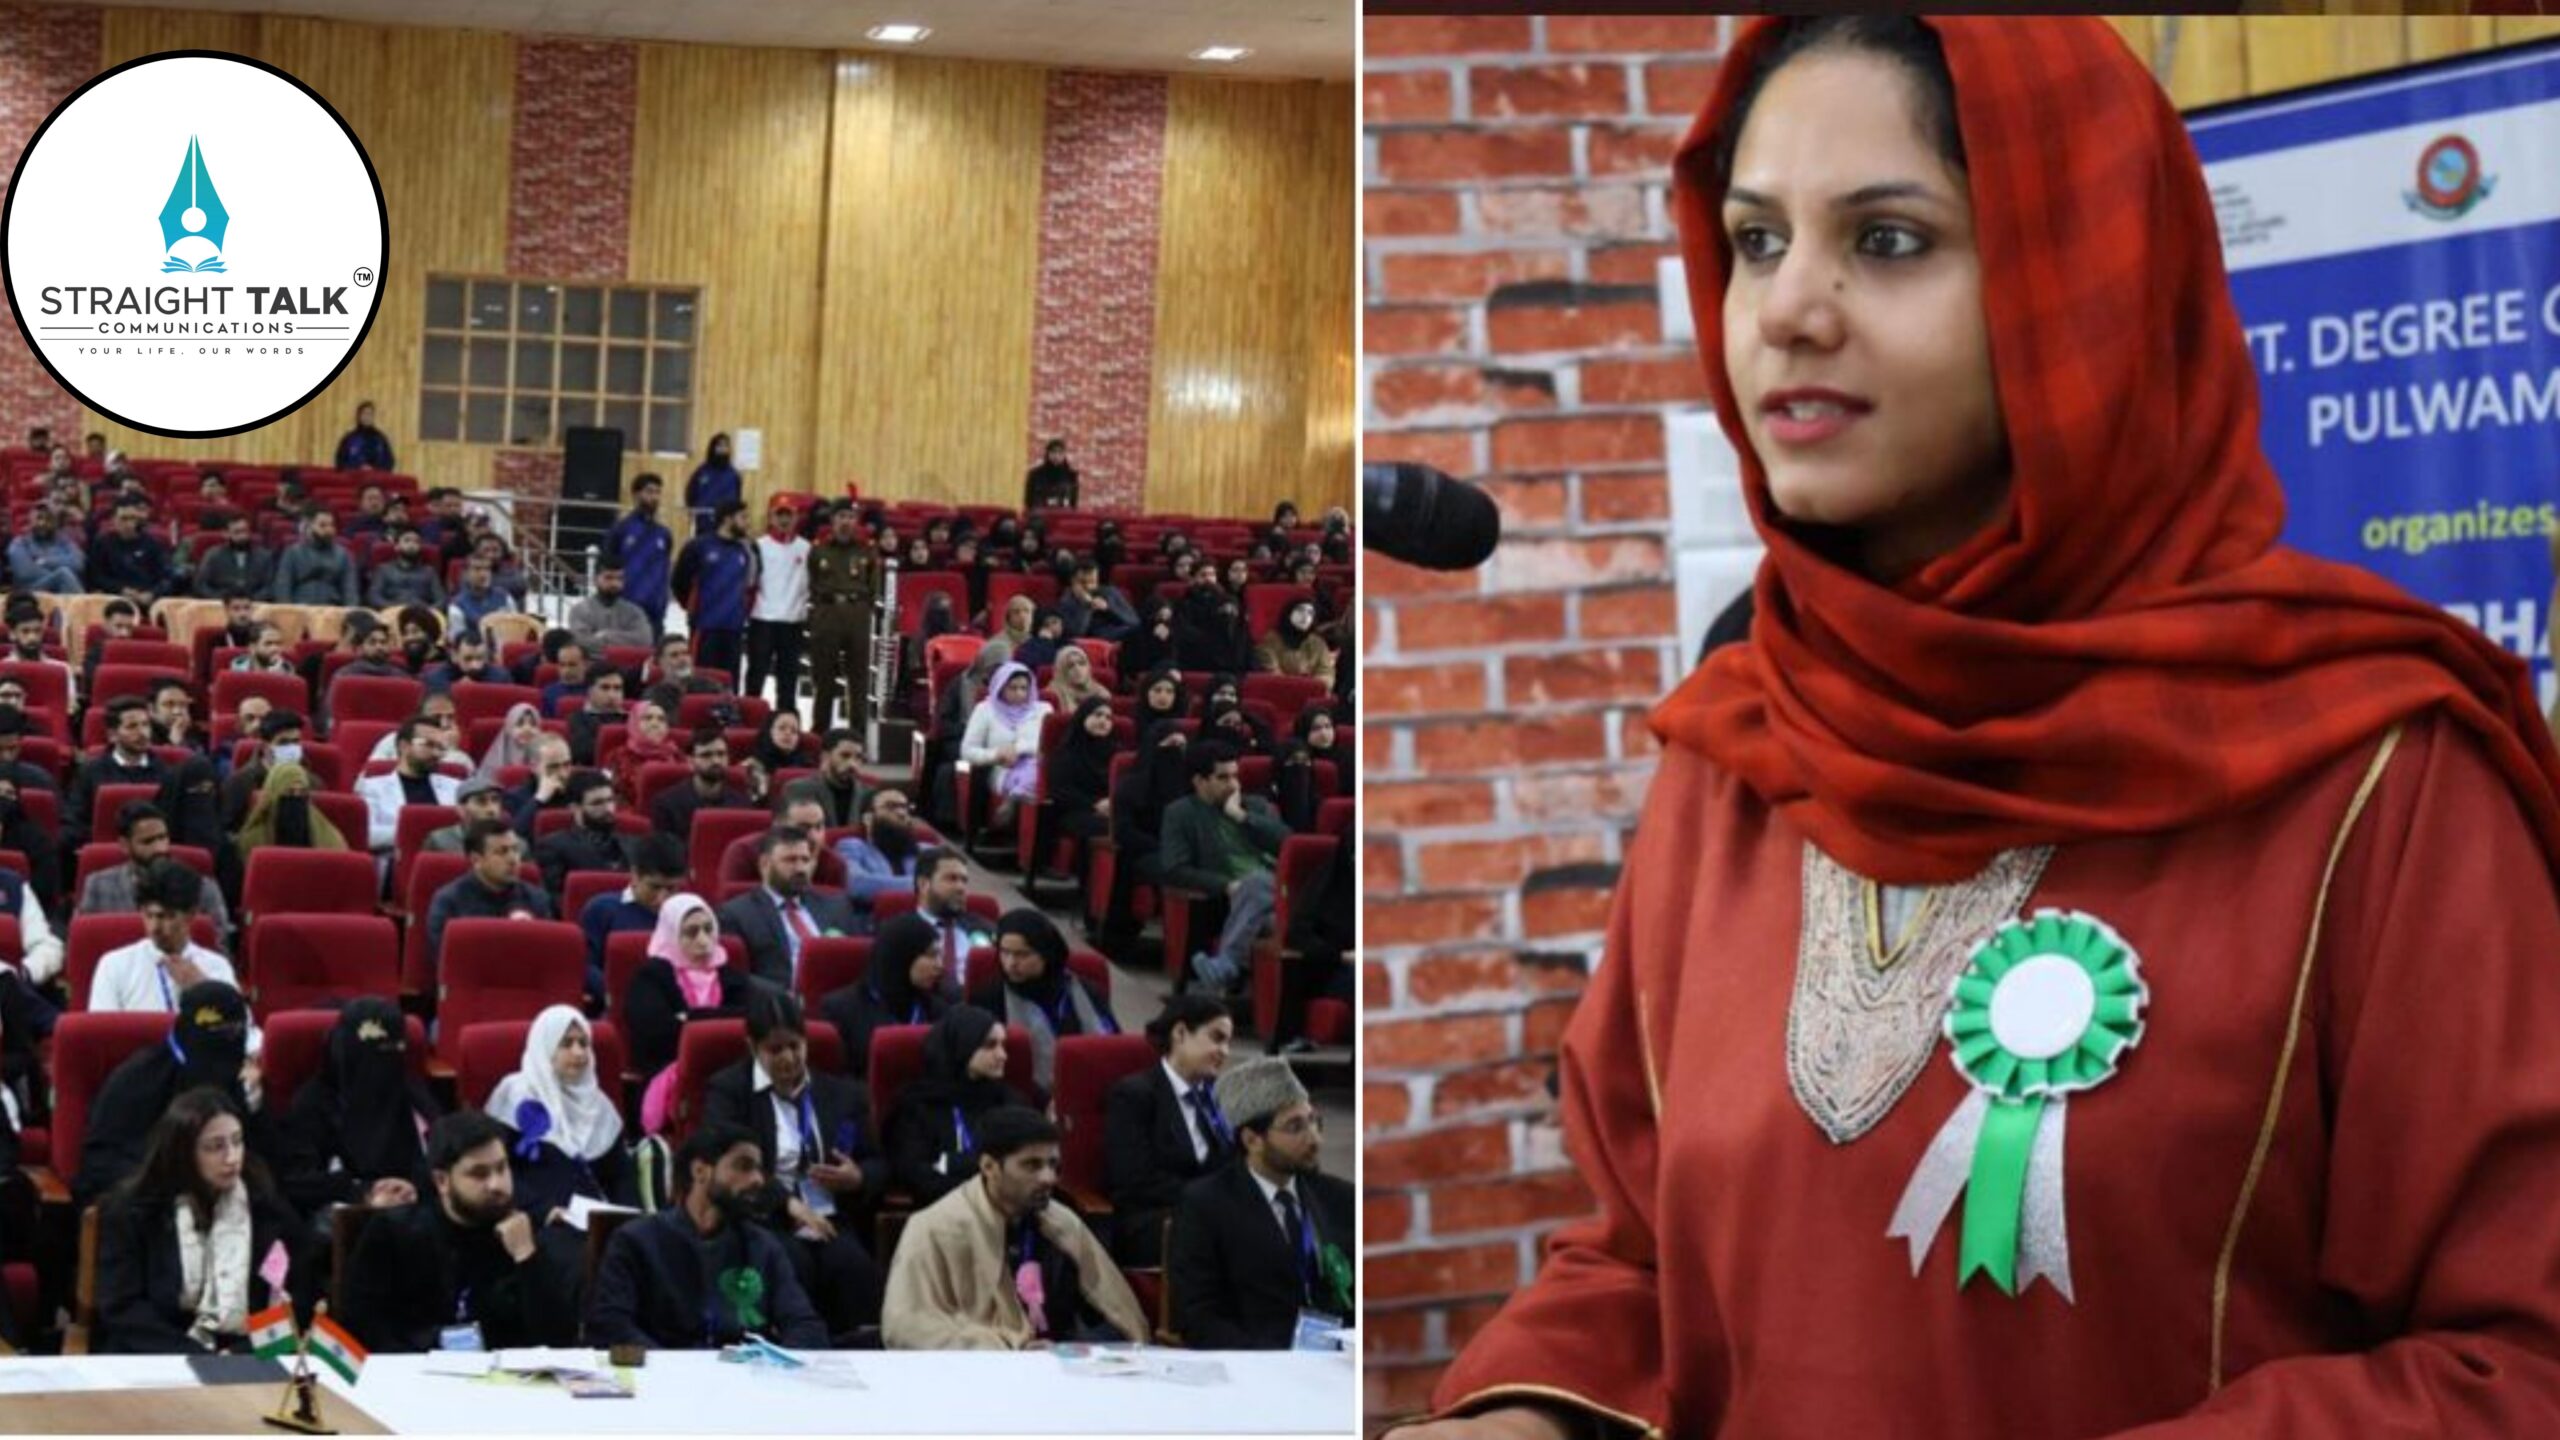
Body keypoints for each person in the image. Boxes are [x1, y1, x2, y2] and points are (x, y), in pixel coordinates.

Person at [1404, 18, 2560, 1440]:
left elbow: (2520, 1362)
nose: (1787, 309)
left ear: (2081, 281)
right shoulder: (1741, 754)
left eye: (1887, 240)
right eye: (1756, 241)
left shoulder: (2376, 777)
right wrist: (1531, 1420)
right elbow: (1644, 1263)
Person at [882, 1105, 1145, 1350]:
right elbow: (904, 1327)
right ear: (989, 1167)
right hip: (978, 1372)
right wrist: (1006, 1345)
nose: (1048, 1178)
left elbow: (1115, 1315)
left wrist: (1070, 1351)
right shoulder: (934, 1228)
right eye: (1032, 1165)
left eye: (1053, 1165)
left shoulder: (1062, 1223)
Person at [703, 987, 885, 1337]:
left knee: (853, 1268)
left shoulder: (842, 1094)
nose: (788, 1058)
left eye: (795, 1046)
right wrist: (787, 1204)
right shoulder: (729, 1092)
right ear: (752, 1047)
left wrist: (858, 1177)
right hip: (762, 1215)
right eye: (775, 1050)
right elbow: (728, 1164)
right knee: (790, 1263)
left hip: (829, 1217)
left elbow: (879, 1163)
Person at [337, 1111, 585, 1354]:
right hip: (414, 1371)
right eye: (479, 1174)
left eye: (502, 1168)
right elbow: (361, 1330)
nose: (497, 1184)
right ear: (442, 1181)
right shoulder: (395, 1232)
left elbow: (560, 1344)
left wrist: (527, 1258)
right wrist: (439, 1344)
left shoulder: (522, 1235)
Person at [93, 1086, 305, 1354]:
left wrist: (243, 1352)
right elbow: (122, 1307)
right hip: (158, 1352)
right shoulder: (133, 1210)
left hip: (240, 1356)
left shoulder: (266, 1207)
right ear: (183, 1151)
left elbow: (297, 1301)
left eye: (237, 1141)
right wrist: (194, 1356)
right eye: (215, 1147)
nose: (232, 1157)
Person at [589, 1119, 828, 1350]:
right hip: (662, 1372)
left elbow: (805, 1325)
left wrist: (778, 1367)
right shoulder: (637, 1241)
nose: (758, 1179)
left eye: (759, 1169)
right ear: (700, 1171)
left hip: (745, 1373)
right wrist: (675, 1369)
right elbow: (611, 1325)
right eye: (743, 1166)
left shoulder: (763, 1246)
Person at [1168, 1056, 1351, 1349]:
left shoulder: (1339, 1198)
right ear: (1252, 1140)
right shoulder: (1206, 1206)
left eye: (1314, 1122)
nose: (1314, 1139)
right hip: (1257, 1359)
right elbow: (1198, 1317)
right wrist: (1277, 1360)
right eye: (1295, 1127)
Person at [75, 980, 268, 1206]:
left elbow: (266, 1160)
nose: (229, 1045)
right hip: (152, 1201)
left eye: (236, 1031)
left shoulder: (237, 1081)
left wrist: (255, 1106)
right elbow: (102, 1164)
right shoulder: (137, 1080)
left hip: (232, 1201)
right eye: (218, 1032)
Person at [273, 997, 439, 1217]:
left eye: (390, 1050)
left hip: (415, 1210)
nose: (378, 1065)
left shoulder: (411, 1094)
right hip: (349, 1216)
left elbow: (442, 1155)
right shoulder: (314, 1102)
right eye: (369, 1053)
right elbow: (298, 1181)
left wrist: (413, 1189)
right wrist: (365, 1193)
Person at [1105, 994, 1235, 1268]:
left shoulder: (1217, 1097)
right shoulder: (1134, 1095)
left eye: (1228, 1042)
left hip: (1208, 1214)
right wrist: (1210, 1199)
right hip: (1152, 1219)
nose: (1225, 1051)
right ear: (1180, 1033)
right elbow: (1135, 1181)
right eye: (1217, 1038)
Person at [1159, 743, 1286, 994]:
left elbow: (1288, 844)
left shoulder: (1256, 806)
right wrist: (1226, 885)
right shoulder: (1181, 813)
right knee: (1264, 912)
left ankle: (1225, 965)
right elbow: (1175, 868)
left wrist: (1241, 816)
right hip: (1236, 902)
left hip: (1279, 892)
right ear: (1199, 781)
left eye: (1235, 776)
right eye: (1223, 777)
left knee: (1258, 880)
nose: (1233, 785)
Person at [483, 1005, 628, 1222]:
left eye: (584, 1043)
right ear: (545, 1048)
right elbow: (496, 1173)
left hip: (596, 1224)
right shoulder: (516, 1095)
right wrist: (544, 1211)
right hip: (534, 1219)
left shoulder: (600, 1106)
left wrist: (632, 1221)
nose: (579, 1053)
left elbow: (621, 1177)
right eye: (566, 1044)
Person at [624, 890, 759, 1102]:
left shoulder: (729, 975)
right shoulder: (651, 976)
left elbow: (749, 1020)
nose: (704, 941)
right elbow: (656, 1036)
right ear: (672, 934)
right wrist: (718, 1019)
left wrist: (689, 1018)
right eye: (691, 932)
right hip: (669, 1073)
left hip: (731, 1070)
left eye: (708, 929)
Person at [968, 909, 1112, 1098]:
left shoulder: (1084, 992)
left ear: (1046, 953)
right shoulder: (988, 999)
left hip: (1087, 1093)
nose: (1010, 963)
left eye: (1022, 954)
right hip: (1017, 1100)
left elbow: (1111, 1047)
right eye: (1004, 952)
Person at [887, 1005, 1017, 1208]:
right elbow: (915, 1174)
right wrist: (980, 1183)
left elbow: (1021, 1166)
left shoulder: (1007, 1100)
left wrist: (949, 1163)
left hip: (1007, 1208)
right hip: (941, 1209)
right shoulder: (918, 1104)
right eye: (990, 1045)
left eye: (1003, 1045)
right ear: (963, 1046)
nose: (1003, 1055)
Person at [715, 826, 858, 991]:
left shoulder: (837, 907)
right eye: (790, 860)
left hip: (834, 997)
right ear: (764, 864)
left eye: (805, 860)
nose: (800, 869)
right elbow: (739, 978)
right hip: (778, 1000)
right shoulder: (737, 914)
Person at [80, 805, 235, 951]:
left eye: (163, 838)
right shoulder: (97, 886)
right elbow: (84, 945)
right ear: (125, 845)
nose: (160, 848)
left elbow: (219, 947)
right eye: (147, 842)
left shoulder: (203, 888)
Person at [819, 911, 947, 1082]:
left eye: (939, 956)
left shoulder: (937, 1010)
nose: (940, 965)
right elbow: (837, 1082)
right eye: (931, 955)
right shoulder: (840, 1010)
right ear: (902, 956)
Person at [421, 820, 552, 980]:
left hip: (525, 983)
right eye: (502, 852)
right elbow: (445, 960)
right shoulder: (449, 901)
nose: (513, 859)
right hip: (471, 985)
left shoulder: (536, 898)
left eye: (515, 850)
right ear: (476, 860)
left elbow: (547, 957)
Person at [578, 833, 686, 1002]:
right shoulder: (602, 909)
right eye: (654, 887)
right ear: (635, 875)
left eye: (671, 889)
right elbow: (584, 965)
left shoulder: (689, 915)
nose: (662, 898)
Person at [805, 500, 881, 737]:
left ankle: (857, 733)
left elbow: (874, 586)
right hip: (827, 613)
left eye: (850, 517)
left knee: (858, 677)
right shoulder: (819, 550)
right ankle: (820, 732)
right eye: (841, 517)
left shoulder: (866, 550)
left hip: (857, 614)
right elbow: (811, 581)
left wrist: (863, 607)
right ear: (832, 521)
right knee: (823, 676)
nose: (846, 522)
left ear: (856, 521)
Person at [672, 500, 756, 680]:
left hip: (733, 630)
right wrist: (693, 609)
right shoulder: (698, 547)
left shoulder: (743, 551)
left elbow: (748, 586)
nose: (748, 522)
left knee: (729, 683)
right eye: (743, 517)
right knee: (701, 681)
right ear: (727, 519)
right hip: (705, 628)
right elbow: (679, 581)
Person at [961, 662, 1048, 834]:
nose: (1019, 693)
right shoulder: (985, 710)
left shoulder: (1043, 709)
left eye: (1024, 688)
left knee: (1038, 772)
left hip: (1037, 763)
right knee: (1035, 780)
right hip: (1003, 768)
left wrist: (1019, 749)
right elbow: (967, 751)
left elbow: (1048, 745)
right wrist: (996, 754)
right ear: (1000, 687)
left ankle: (1014, 801)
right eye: (1013, 688)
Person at [355, 716, 462, 853]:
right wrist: (414, 833)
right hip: (395, 857)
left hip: (447, 858)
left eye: (440, 747)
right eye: (428, 744)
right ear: (404, 746)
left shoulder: (456, 787)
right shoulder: (372, 788)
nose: (436, 753)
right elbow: (367, 834)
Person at [748, 500, 811, 714]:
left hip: (793, 621)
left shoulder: (806, 548)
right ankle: (751, 716)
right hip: (762, 619)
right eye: (779, 515)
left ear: (796, 518)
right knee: (756, 674)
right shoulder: (759, 546)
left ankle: (786, 718)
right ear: (771, 518)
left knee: (788, 677)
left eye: (789, 515)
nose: (784, 520)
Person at [832, 785, 923, 930]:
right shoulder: (852, 846)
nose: (901, 813)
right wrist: (926, 886)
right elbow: (858, 885)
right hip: (874, 925)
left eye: (905, 807)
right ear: (868, 818)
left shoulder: (926, 850)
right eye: (891, 807)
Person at [532, 768, 631, 899]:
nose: (608, 809)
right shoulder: (553, 847)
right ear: (574, 808)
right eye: (597, 803)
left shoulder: (632, 843)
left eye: (610, 800)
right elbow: (557, 900)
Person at [603, 473, 675, 641]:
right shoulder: (621, 529)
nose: (654, 497)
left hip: (655, 612)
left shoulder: (664, 534)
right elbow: (607, 565)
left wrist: (663, 601)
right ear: (636, 495)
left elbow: (665, 569)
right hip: (626, 609)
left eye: (657, 492)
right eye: (649, 491)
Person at [649, 725, 752, 842]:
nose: (716, 761)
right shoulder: (666, 804)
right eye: (706, 755)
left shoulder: (742, 804)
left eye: (721, 754)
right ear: (690, 761)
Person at [1045, 697, 1118, 859]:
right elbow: (1060, 791)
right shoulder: (1067, 753)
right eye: (1097, 715)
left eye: (1108, 718)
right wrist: (1094, 804)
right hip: (1074, 811)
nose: (1103, 721)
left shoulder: (1116, 753)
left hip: (1110, 810)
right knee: (1111, 828)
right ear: (1083, 717)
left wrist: (1112, 803)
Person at [86, 496, 178, 605]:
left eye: (133, 518)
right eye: (123, 519)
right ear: (113, 519)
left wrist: (152, 593)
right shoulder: (102, 543)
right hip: (114, 599)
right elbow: (95, 576)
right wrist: (121, 589)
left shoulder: (153, 544)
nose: (129, 524)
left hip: (146, 599)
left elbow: (166, 578)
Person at [268, 511, 358, 607]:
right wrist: (287, 611)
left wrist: (350, 610)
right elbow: (283, 586)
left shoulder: (343, 555)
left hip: (332, 607)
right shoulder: (293, 552)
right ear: (309, 527)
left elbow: (350, 589)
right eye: (322, 525)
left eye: (331, 525)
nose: (328, 530)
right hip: (299, 607)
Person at [566, 563, 653, 655]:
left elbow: (644, 640)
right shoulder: (580, 610)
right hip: (592, 663)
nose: (615, 584)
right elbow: (582, 642)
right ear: (595, 579)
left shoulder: (634, 611)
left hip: (627, 663)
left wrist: (605, 635)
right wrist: (624, 641)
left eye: (620, 578)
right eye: (608, 578)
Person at [608, 698, 682, 805]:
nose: (655, 724)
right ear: (634, 723)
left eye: (661, 719)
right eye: (648, 718)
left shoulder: (676, 754)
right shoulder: (618, 756)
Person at [1252, 598, 1335, 686]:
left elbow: (1327, 673)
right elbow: (1273, 676)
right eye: (1300, 610)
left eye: (1310, 613)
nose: (1305, 617)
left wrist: (1312, 686)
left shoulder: (1318, 643)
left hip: (1312, 692)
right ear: (1289, 613)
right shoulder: (1270, 641)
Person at [8, 503, 84, 594]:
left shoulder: (64, 541)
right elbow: (25, 573)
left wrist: (44, 561)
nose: (42, 523)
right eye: (39, 518)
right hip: (30, 592)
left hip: (63, 590)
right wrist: (56, 574)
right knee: (63, 575)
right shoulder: (20, 543)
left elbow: (78, 564)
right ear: (30, 521)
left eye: (48, 519)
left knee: (64, 576)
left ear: (54, 523)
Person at [422, 774, 505, 855]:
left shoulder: (508, 838)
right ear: (461, 809)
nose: (491, 809)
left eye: (495, 800)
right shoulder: (440, 840)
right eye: (481, 802)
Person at [1056, 560, 1135, 643]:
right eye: (1082, 582)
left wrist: (1109, 608)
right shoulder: (1066, 601)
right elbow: (1076, 634)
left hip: (1124, 635)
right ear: (1073, 581)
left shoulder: (1110, 592)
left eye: (1092, 582)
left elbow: (1134, 621)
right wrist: (1087, 606)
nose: (1088, 586)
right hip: (1097, 642)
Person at [565, 667, 629, 767]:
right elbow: (582, 753)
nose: (612, 695)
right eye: (605, 688)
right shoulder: (578, 718)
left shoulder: (632, 719)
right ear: (590, 691)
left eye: (617, 688)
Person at [445, 552, 516, 644]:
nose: (483, 574)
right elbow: (458, 639)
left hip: (505, 645)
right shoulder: (457, 605)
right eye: (477, 569)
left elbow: (516, 627)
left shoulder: (505, 597)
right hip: (475, 648)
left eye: (487, 569)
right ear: (466, 573)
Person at [367, 528, 446, 609]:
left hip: (422, 611)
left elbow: (441, 600)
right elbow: (374, 597)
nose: (411, 545)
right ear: (397, 546)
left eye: (416, 542)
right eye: (407, 541)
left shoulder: (429, 572)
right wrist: (393, 608)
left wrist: (428, 610)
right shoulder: (384, 569)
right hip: (391, 610)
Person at [682, 434, 741, 538]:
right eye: (719, 446)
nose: (722, 449)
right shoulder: (702, 471)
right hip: (704, 524)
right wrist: (693, 512)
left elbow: (737, 500)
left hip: (725, 525)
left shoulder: (733, 475)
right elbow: (690, 494)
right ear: (713, 448)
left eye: (725, 446)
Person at [806, 728, 865, 830]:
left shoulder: (868, 793)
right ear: (825, 757)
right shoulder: (801, 789)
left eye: (858, 757)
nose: (853, 764)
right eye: (845, 756)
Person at [476, 701, 545, 784]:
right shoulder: (496, 759)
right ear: (509, 728)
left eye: (533, 724)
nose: (527, 729)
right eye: (520, 724)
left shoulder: (545, 755)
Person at [334, 400, 394, 472]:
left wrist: (373, 468)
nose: (367, 417)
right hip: (354, 476)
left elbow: (389, 462)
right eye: (364, 414)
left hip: (375, 476)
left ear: (373, 417)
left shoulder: (380, 439)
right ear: (359, 416)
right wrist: (358, 468)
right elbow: (340, 462)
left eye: (370, 414)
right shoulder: (349, 439)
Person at [1045, 646, 1108, 715]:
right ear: (1062, 672)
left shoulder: (1100, 692)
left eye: (1081, 663)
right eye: (1070, 666)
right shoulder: (1053, 694)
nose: (1077, 669)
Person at [1023, 438, 1079, 511]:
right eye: (1053, 452)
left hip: (1063, 514)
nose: (1056, 456)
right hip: (1040, 515)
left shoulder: (1071, 476)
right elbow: (1028, 501)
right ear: (1048, 454)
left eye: (1060, 453)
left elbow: (1073, 504)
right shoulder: (1035, 475)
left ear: (1064, 455)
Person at [750, 710, 810, 776]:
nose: (788, 733)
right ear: (769, 731)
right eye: (782, 728)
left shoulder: (806, 764)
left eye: (794, 730)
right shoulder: (753, 764)